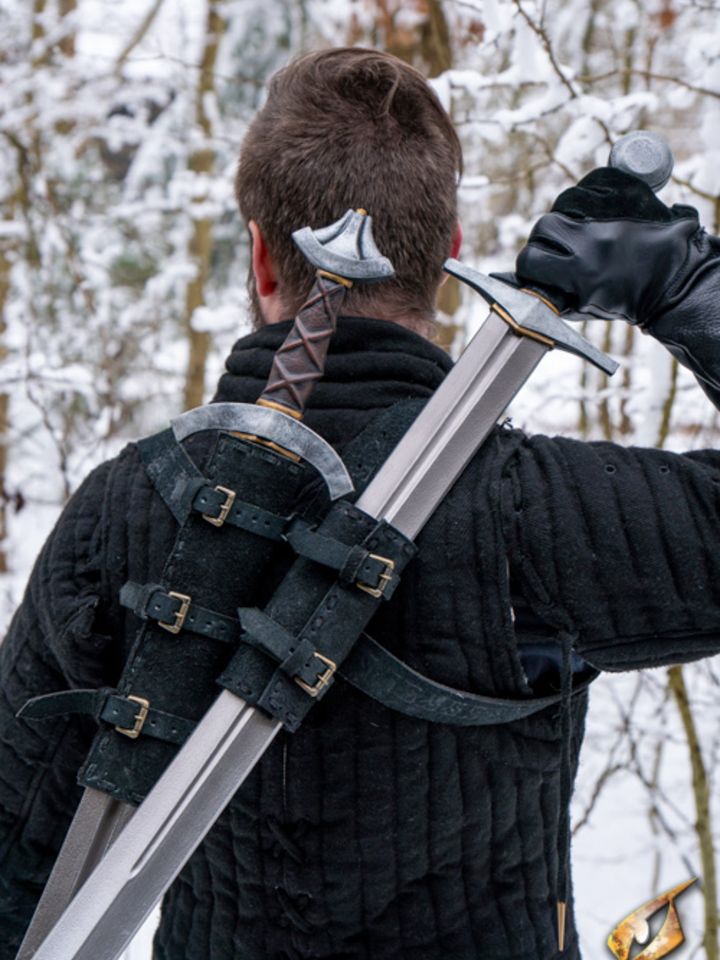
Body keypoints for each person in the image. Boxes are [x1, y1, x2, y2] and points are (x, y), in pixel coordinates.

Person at [1, 46, 720, 960]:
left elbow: (14, 837)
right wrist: (686, 284)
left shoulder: (119, 515)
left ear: (259, 254)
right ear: (450, 253)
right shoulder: (538, 512)